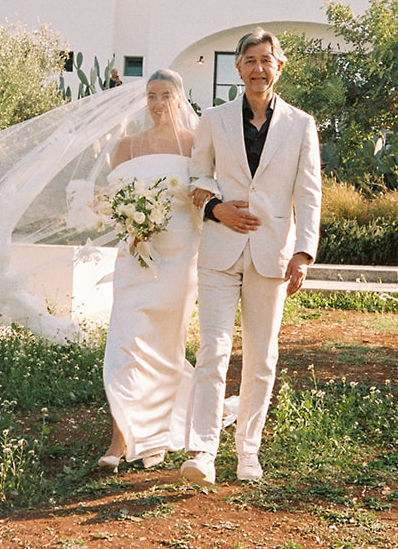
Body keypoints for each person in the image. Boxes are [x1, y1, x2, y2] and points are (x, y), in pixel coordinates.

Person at [181, 28, 321, 485]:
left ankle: (248, 454)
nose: (259, 68)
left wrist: (303, 252)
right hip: (220, 252)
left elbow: (309, 193)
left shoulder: (301, 125)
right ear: (238, 69)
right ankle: (202, 453)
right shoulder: (214, 118)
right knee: (213, 351)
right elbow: (196, 174)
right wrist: (214, 207)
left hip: (274, 255)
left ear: (278, 67)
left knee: (262, 358)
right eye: (250, 61)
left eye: (267, 60)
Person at [96, 69, 202, 472]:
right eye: (152, 95)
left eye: (166, 95)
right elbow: (110, 201)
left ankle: (155, 435)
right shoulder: (127, 146)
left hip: (178, 256)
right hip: (135, 255)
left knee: (165, 346)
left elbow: (203, 199)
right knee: (126, 343)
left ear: (180, 98)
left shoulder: (196, 144)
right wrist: (131, 224)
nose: (158, 103)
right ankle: (119, 438)